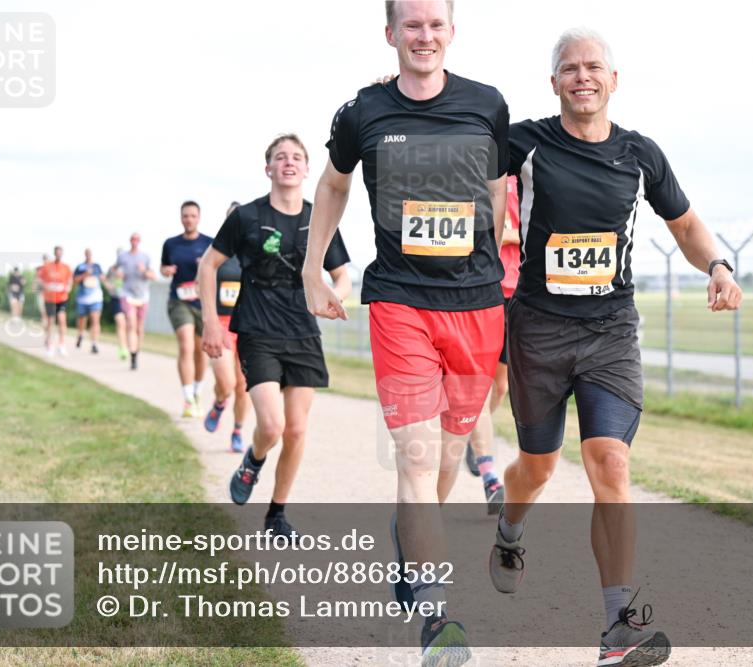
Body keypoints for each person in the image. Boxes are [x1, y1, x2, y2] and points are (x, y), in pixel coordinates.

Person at [487, 28, 743, 667]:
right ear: (554, 84)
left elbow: (683, 224)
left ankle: (616, 627)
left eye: (593, 66)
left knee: (611, 464)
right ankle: (510, 528)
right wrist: (395, 97)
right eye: (569, 68)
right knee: (538, 468)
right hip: (539, 330)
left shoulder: (640, 154)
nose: (582, 77)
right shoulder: (525, 141)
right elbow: (452, 136)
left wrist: (717, 264)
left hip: (610, 333)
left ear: (613, 80)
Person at [302, 1, 508, 663]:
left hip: (477, 304)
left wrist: (510, 275)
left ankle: (413, 541)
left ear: (452, 32)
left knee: (448, 460)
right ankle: (437, 617)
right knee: (417, 458)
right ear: (390, 33)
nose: (424, 36)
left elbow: (501, 196)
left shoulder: (488, 105)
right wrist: (314, 268)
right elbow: (332, 186)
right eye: (411, 25)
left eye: (435, 24)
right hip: (398, 301)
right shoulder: (361, 112)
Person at [200, 134, 352, 544]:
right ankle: (254, 458)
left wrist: (335, 297)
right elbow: (207, 265)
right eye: (279, 157)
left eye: (297, 157)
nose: (288, 162)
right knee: (271, 424)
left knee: (297, 431)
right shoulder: (246, 217)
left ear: (306, 169)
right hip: (257, 329)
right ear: (268, 169)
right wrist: (211, 323)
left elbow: (342, 274)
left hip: (303, 332)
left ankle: (276, 514)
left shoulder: (318, 218)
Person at [463, 173, 521, 514]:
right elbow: (476, 235)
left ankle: (472, 435)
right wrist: (511, 236)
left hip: (520, 294)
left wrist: (510, 236)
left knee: (500, 387)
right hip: (484, 292)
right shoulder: (473, 179)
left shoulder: (527, 177)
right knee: (481, 390)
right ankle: (490, 477)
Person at [203, 202, 252, 452]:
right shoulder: (216, 251)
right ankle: (220, 402)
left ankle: (237, 431)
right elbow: (204, 281)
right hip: (221, 324)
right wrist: (209, 321)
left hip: (246, 326)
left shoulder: (254, 250)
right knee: (227, 382)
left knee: (244, 385)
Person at [162, 201, 214, 417]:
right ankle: (187, 399)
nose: (189, 219)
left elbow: (218, 269)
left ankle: (197, 391)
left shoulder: (210, 243)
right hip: (179, 301)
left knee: (201, 352)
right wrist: (166, 270)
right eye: (185, 216)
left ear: (199, 218)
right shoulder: (171, 244)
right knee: (185, 346)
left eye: (192, 216)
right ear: (181, 218)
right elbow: (164, 267)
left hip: (202, 303)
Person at [117, 234, 156, 370]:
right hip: (127, 294)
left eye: (137, 240)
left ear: (139, 241)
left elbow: (153, 276)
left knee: (139, 327)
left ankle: (136, 353)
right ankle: (132, 354)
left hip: (142, 296)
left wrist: (144, 271)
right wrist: (118, 274)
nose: (134, 242)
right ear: (130, 241)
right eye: (132, 239)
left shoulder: (145, 257)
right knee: (131, 324)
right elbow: (115, 270)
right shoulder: (123, 257)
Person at [39, 246, 73, 356]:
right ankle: (50, 345)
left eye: (60, 253)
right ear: (54, 253)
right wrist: (47, 286)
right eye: (57, 253)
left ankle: (62, 344)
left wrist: (68, 287)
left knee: (62, 320)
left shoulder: (66, 267)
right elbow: (40, 280)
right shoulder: (47, 266)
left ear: (62, 254)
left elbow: (70, 280)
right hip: (50, 298)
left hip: (62, 297)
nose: (58, 255)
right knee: (50, 322)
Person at [73, 249, 104, 354]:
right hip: (82, 297)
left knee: (95, 320)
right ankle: (81, 334)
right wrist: (85, 275)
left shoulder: (97, 266)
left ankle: (94, 343)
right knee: (82, 319)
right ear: (85, 255)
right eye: (87, 254)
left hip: (95, 297)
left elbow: (103, 278)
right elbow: (75, 280)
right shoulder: (80, 267)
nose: (88, 255)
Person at [104, 251, 129, 360]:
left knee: (128, 325)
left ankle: (129, 346)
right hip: (116, 298)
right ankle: (122, 348)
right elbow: (106, 280)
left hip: (128, 299)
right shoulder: (112, 269)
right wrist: (109, 286)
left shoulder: (128, 268)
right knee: (120, 322)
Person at [33, 253, 49, 324]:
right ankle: (44, 321)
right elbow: (36, 279)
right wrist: (34, 287)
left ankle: (47, 322)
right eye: (44, 259)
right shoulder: (39, 269)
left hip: (49, 293)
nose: (45, 260)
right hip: (41, 292)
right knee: (42, 308)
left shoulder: (51, 269)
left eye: (46, 259)